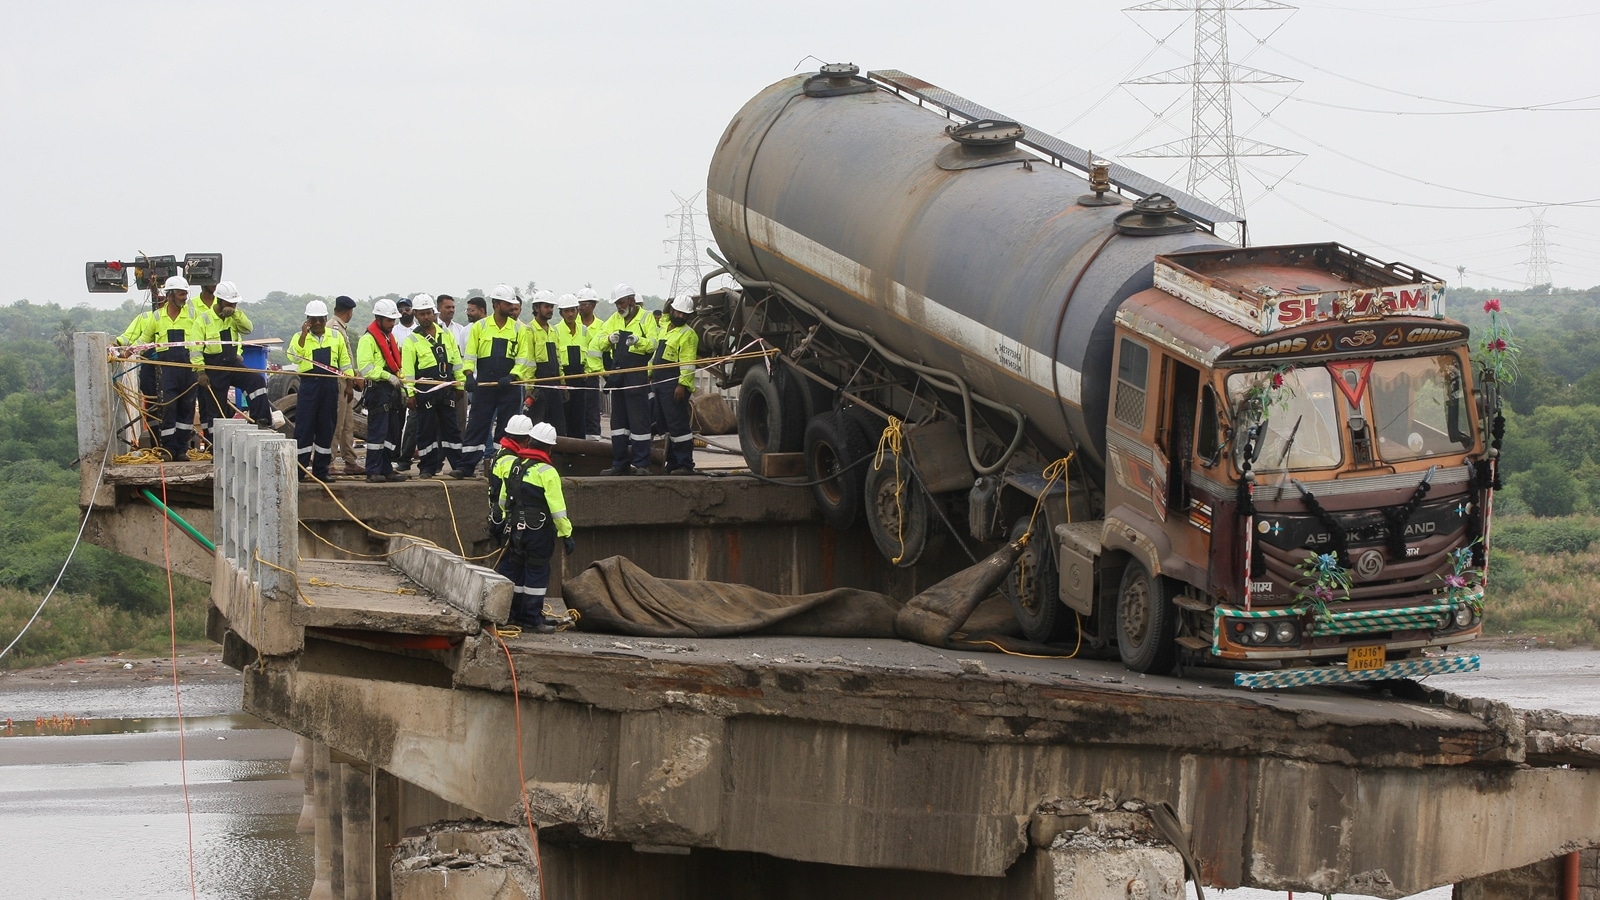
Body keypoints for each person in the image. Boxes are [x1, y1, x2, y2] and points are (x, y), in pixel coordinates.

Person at [488, 416, 572, 633]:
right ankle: (531, 619)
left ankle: (512, 613)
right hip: (539, 532)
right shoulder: (547, 472)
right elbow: (558, 509)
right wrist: (566, 534)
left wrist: (506, 522)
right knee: (536, 572)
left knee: (515, 569)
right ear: (549, 448)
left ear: (530, 441)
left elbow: (504, 500)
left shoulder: (515, 465)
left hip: (516, 530)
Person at [114, 275, 207, 460]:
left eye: (185, 294)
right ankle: (168, 449)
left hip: (189, 369)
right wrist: (126, 353)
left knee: (187, 409)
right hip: (168, 371)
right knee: (168, 408)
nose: (184, 297)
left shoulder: (193, 315)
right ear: (170, 295)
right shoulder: (157, 317)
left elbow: (205, 336)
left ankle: (181, 449)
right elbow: (143, 340)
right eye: (181, 294)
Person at [458, 284, 531, 477]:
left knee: (507, 427)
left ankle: (502, 466)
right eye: (508, 304)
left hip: (509, 386)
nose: (511, 308)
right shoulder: (480, 327)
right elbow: (470, 353)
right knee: (477, 424)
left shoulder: (518, 329)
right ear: (497, 304)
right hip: (484, 385)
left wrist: (513, 376)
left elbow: (523, 357)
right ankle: (467, 466)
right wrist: (468, 376)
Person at [401, 294, 468, 478]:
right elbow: (408, 371)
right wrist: (411, 394)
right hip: (425, 391)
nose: (426, 317)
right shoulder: (411, 341)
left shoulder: (445, 334)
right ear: (416, 315)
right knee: (426, 430)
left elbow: (456, 360)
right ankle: (427, 467)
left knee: (451, 428)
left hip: (446, 388)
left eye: (428, 313)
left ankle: (458, 465)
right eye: (422, 314)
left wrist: (459, 385)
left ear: (434, 313)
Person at [287, 299, 353, 481]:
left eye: (320, 319)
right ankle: (299, 470)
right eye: (312, 320)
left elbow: (345, 361)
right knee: (304, 427)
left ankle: (321, 471)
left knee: (326, 427)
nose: (317, 323)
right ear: (307, 320)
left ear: (326, 319)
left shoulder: (335, 336)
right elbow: (293, 356)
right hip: (309, 386)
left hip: (330, 386)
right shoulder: (299, 337)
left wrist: (349, 383)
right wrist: (302, 335)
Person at [598, 282, 658, 475]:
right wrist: (608, 340)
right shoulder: (614, 319)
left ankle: (641, 464)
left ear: (632, 301)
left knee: (639, 420)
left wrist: (638, 341)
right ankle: (619, 463)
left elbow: (653, 344)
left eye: (622, 302)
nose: (619, 307)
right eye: (617, 304)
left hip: (637, 375)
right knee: (619, 423)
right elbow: (597, 341)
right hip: (618, 376)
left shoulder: (646, 318)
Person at [197, 281, 271, 434]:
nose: (233, 306)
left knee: (256, 381)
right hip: (213, 368)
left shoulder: (235, 317)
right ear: (219, 300)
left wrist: (235, 314)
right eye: (230, 303)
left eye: (235, 303)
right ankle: (214, 447)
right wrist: (200, 372)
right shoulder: (203, 320)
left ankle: (262, 421)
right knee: (217, 409)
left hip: (233, 362)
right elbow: (195, 349)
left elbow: (248, 328)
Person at [355, 299, 409, 483]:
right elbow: (366, 368)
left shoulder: (389, 338)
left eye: (394, 320)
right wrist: (388, 377)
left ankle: (386, 468)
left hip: (392, 390)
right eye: (389, 320)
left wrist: (401, 383)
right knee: (377, 433)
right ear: (378, 318)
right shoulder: (367, 340)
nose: (392, 324)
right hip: (378, 391)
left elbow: (395, 364)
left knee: (392, 433)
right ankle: (373, 470)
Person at [654, 293, 701, 475]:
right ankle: (672, 463)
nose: (680, 316)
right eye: (678, 312)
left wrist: (682, 385)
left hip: (674, 383)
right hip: (659, 381)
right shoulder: (665, 327)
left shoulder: (688, 334)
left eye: (684, 314)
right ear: (672, 311)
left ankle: (685, 464)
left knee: (678, 425)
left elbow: (688, 363)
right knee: (665, 424)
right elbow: (665, 318)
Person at [330, 295, 364, 475]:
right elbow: (340, 360)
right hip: (340, 381)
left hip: (346, 380)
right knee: (337, 422)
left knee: (347, 423)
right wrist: (350, 382)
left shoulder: (338, 327)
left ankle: (350, 460)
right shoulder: (335, 328)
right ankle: (329, 460)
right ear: (349, 312)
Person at [554, 293, 595, 440]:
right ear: (561, 313)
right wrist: (562, 380)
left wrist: (588, 372)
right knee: (564, 417)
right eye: (566, 311)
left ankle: (579, 450)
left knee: (579, 416)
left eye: (573, 310)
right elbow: (556, 357)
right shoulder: (556, 331)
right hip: (564, 380)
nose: (570, 314)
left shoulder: (584, 330)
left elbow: (592, 353)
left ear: (577, 310)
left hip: (580, 379)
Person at [524, 289, 560, 433]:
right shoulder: (529, 330)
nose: (550, 310)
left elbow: (558, 359)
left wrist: (562, 383)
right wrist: (529, 387)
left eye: (551, 307)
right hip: (538, 386)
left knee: (556, 425)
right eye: (546, 306)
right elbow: (528, 361)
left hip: (555, 384)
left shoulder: (553, 331)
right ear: (536, 308)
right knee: (537, 425)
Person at [575, 287, 606, 440]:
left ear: (593, 305)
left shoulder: (602, 326)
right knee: (575, 411)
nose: (579, 307)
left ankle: (593, 442)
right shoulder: (571, 324)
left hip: (592, 375)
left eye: (583, 304)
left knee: (592, 411)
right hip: (575, 373)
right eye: (578, 304)